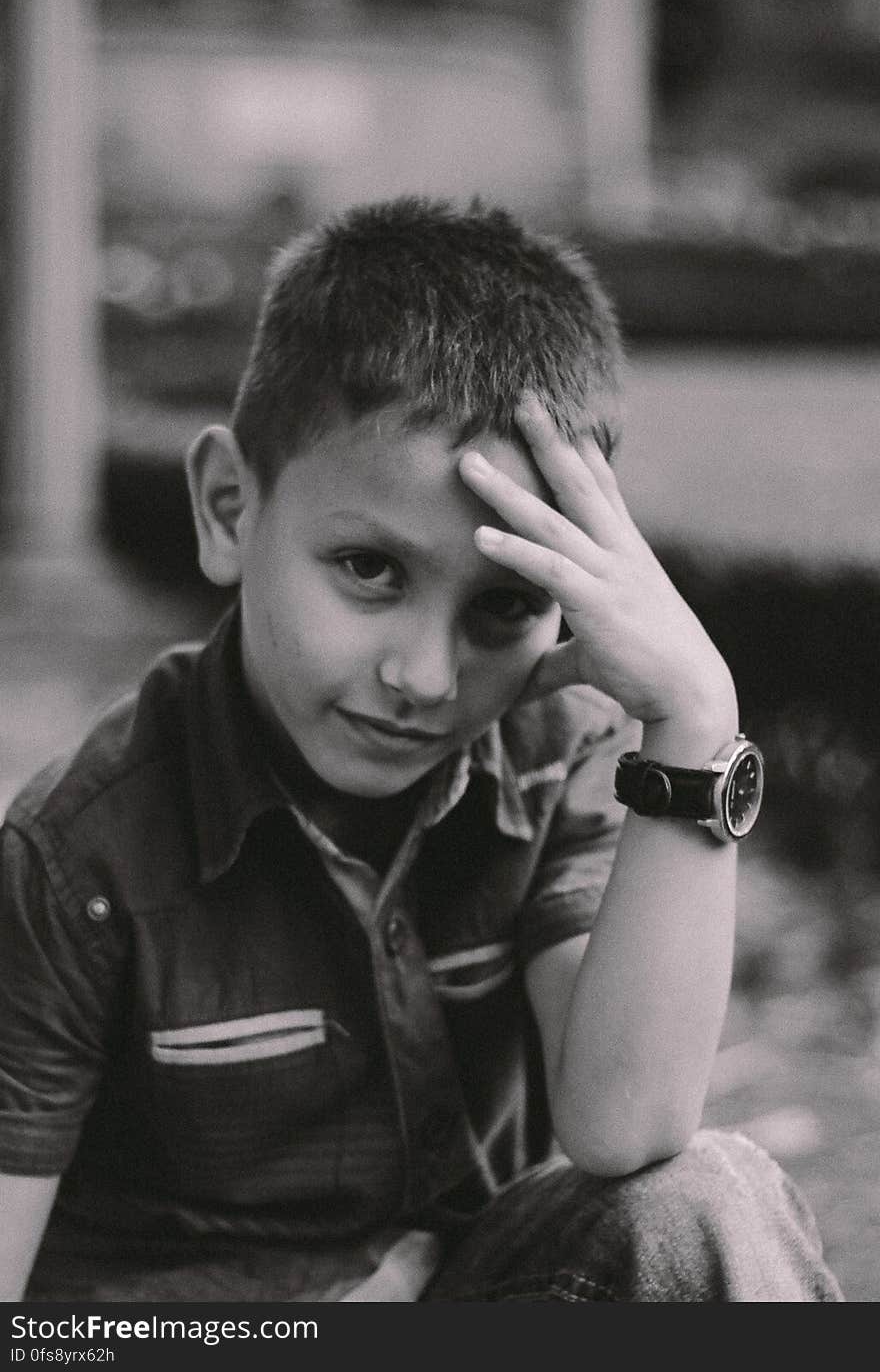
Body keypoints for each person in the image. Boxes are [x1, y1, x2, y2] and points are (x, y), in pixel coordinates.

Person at [0, 197, 842, 1302]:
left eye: (503, 606)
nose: (426, 677)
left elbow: (627, 1127)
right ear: (226, 508)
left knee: (704, 1198)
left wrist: (694, 723)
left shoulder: (556, 752)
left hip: (456, 1296)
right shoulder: (77, 864)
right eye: (369, 569)